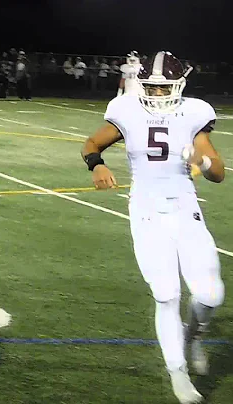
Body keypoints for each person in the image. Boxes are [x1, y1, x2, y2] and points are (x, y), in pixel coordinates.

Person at [81, 51, 224, 404]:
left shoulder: (194, 112)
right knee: (166, 294)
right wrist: (96, 165)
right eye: (152, 87)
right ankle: (178, 372)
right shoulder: (127, 110)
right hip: (145, 208)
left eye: (164, 88)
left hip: (185, 206)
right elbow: (91, 144)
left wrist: (201, 160)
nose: (157, 95)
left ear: (179, 85)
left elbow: (217, 172)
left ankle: (193, 336)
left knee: (210, 295)